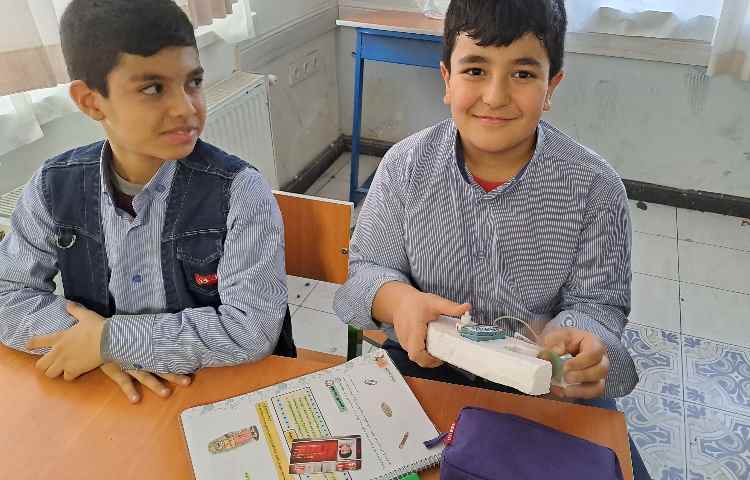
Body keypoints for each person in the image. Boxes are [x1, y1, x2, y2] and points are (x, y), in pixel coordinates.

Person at [334, 0, 649, 477]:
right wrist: (398, 301)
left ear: (551, 86)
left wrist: (581, 347)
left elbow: (598, 308)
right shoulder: (404, 168)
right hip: (426, 368)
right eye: (476, 70)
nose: (496, 96)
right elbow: (360, 280)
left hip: (543, 385)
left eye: (522, 74)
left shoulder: (594, 188)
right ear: (447, 79)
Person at [0, 0, 294, 404]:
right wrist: (87, 343)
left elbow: (251, 328)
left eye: (193, 82)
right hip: (109, 396)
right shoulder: (53, 187)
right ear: (91, 101)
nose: (186, 108)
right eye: (153, 88)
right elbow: (6, 292)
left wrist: (110, 340)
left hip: (216, 391)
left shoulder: (239, 192)